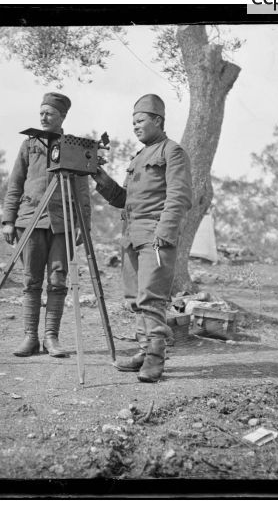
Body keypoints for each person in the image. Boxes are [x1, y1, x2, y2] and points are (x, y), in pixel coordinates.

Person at [92, 94, 192, 382]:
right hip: (131, 237)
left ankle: (155, 358)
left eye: (141, 120)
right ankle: (144, 350)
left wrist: (164, 232)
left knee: (151, 298)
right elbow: (123, 199)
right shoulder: (138, 158)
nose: (135, 126)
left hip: (155, 236)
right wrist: (100, 177)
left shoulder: (172, 152)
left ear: (158, 120)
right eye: (132, 121)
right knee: (135, 299)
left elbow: (179, 195)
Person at [2, 92, 91, 358]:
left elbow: (83, 190)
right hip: (29, 221)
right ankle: (30, 338)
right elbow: (15, 183)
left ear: (62, 117)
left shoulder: (75, 147)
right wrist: (9, 220)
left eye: (49, 113)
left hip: (62, 223)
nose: (43, 117)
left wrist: (83, 225)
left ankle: (51, 338)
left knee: (57, 279)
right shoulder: (29, 145)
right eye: (41, 112)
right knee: (31, 280)